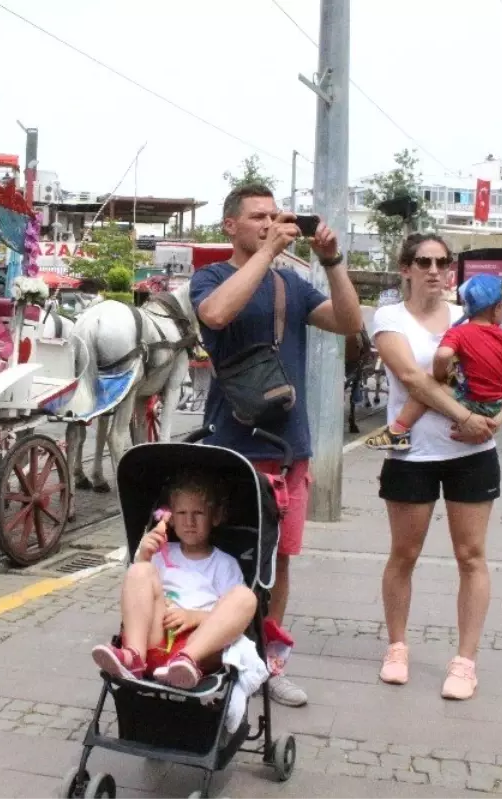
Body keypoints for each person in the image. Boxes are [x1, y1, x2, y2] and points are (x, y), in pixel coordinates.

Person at [190, 184, 363, 706]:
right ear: (230, 226)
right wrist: (267, 254)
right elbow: (216, 315)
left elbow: (350, 324)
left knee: (278, 563)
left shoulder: (293, 284)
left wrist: (332, 262)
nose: (269, 224)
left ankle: (267, 664)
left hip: (289, 448)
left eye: (275, 217)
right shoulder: (212, 276)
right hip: (233, 447)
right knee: (223, 558)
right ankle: (210, 657)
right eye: (258, 217)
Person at [370, 234, 502, 701]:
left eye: (442, 262)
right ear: (405, 268)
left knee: (471, 557)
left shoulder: (469, 312)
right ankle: (397, 647)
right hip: (413, 455)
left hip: (472, 455)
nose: (434, 270)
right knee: (403, 555)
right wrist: (466, 417)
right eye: (423, 261)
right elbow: (412, 377)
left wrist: (493, 424)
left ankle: (465, 662)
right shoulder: (389, 317)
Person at [91, 470, 257, 689]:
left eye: (198, 513)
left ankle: (185, 660)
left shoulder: (224, 564)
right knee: (139, 572)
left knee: (245, 597)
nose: (189, 521)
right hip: (156, 637)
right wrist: (143, 557)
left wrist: (195, 617)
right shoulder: (161, 553)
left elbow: (232, 619)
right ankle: (134, 657)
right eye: (181, 513)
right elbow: (138, 597)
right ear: (170, 518)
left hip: (199, 646)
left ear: (215, 517)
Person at [365, 274, 502, 452]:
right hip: (495, 406)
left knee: (426, 387)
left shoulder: (459, 331)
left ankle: (398, 431)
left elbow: (443, 355)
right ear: (498, 308)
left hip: (472, 401)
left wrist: (439, 374)